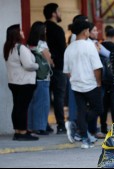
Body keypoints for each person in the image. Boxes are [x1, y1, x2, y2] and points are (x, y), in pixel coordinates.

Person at [63, 20, 103, 149]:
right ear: (85, 31)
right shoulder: (89, 45)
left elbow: (67, 71)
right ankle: (77, 126)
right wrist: (98, 82)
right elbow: (97, 67)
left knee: (81, 110)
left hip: (76, 85)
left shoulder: (69, 48)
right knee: (98, 109)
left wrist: (74, 79)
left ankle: (85, 139)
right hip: (91, 83)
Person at [3, 24, 39, 141]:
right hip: (25, 82)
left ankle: (18, 130)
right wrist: (37, 65)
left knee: (17, 107)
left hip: (13, 82)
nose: (23, 33)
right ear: (16, 34)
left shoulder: (8, 47)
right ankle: (22, 132)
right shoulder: (21, 48)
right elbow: (28, 65)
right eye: (20, 31)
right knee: (23, 108)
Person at [44, 3, 67, 134]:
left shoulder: (42, 28)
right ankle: (61, 125)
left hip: (43, 69)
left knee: (44, 97)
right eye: (59, 11)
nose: (60, 13)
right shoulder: (57, 30)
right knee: (59, 97)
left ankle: (44, 124)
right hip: (58, 68)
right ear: (54, 13)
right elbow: (64, 50)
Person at [27, 21, 53, 135]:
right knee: (43, 103)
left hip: (33, 76)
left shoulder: (29, 44)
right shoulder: (42, 44)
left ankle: (31, 126)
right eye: (45, 30)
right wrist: (52, 63)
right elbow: (48, 60)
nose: (46, 31)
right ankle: (40, 127)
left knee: (33, 103)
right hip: (43, 78)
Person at [100, 28, 114, 133]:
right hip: (113, 80)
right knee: (113, 105)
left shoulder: (99, 47)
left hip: (102, 79)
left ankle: (103, 127)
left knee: (103, 105)